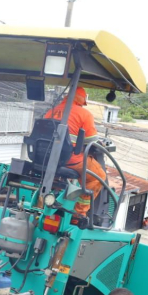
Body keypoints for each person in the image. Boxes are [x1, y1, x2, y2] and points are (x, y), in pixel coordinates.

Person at [45, 86, 106, 218]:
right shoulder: (84, 114)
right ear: (81, 101)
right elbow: (92, 141)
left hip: (47, 159)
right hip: (70, 160)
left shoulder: (50, 111)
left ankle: (42, 205)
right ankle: (79, 213)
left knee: (50, 180)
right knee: (98, 177)